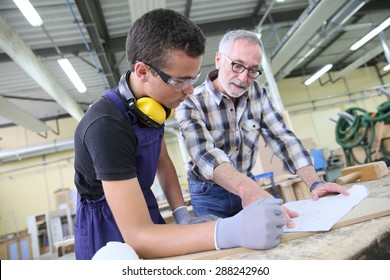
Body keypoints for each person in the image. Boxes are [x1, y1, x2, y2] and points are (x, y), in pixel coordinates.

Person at [73, 9, 286, 260]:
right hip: (108, 233)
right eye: (180, 81)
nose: (189, 91)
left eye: (193, 78)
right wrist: (228, 230)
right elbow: (139, 237)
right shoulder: (107, 126)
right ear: (142, 71)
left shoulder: (150, 108)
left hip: (142, 213)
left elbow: (163, 163)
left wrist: (181, 214)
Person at [175, 29, 349, 226]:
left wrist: (315, 183)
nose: (243, 78)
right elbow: (205, 153)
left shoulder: (258, 92)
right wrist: (249, 189)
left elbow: (282, 138)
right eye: (237, 66)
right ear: (218, 60)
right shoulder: (190, 102)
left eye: (252, 71)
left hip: (247, 181)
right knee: (223, 251)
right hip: (209, 193)